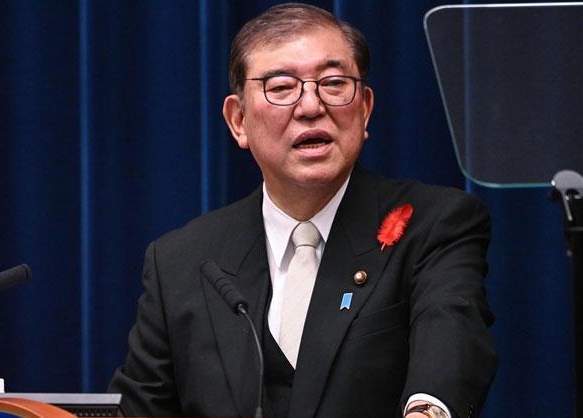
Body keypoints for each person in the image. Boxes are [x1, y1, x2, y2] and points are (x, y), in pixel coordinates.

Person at [108, 3, 497, 418]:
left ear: (365, 109)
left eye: (333, 83)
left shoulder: (434, 225)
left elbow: (450, 341)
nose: (311, 106)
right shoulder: (181, 262)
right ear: (238, 120)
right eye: (281, 87)